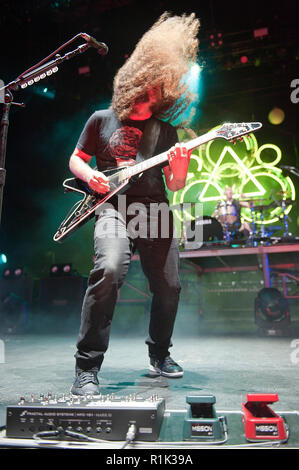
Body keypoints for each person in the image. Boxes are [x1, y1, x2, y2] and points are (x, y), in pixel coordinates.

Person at [69, 12, 200, 395]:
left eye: (159, 87)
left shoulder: (166, 130)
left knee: (170, 285)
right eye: (148, 84)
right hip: (112, 208)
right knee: (109, 270)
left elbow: (174, 184)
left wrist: (181, 166)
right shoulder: (100, 119)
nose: (153, 92)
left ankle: (160, 354)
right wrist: (88, 175)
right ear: (133, 81)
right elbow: (76, 159)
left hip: (155, 209)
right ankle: (87, 367)